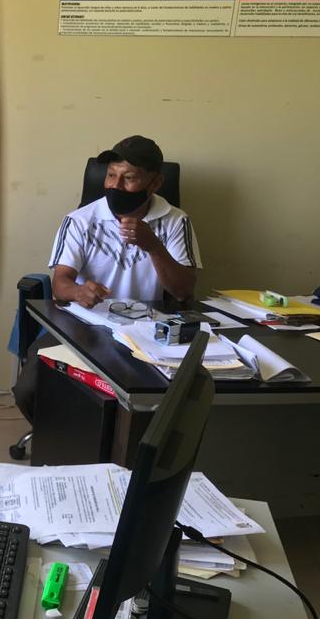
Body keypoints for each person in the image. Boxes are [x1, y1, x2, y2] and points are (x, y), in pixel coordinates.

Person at [12, 136, 202, 423]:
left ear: (155, 183)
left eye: (129, 178)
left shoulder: (176, 221)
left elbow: (183, 290)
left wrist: (153, 246)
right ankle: (66, 439)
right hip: (83, 325)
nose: (115, 185)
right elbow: (60, 283)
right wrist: (78, 292)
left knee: (155, 401)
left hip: (146, 329)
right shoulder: (80, 220)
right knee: (28, 390)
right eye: (111, 175)